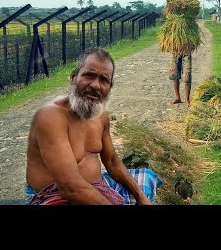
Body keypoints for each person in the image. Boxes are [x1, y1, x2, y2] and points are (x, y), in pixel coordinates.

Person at [25, 48, 162, 205]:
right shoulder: (50, 116)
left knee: (147, 179)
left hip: (97, 188)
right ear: (73, 77)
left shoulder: (100, 115)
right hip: (55, 196)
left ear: (109, 87)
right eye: (89, 75)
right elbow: (70, 187)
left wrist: (140, 196)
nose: (96, 85)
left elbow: (111, 160)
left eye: (104, 80)